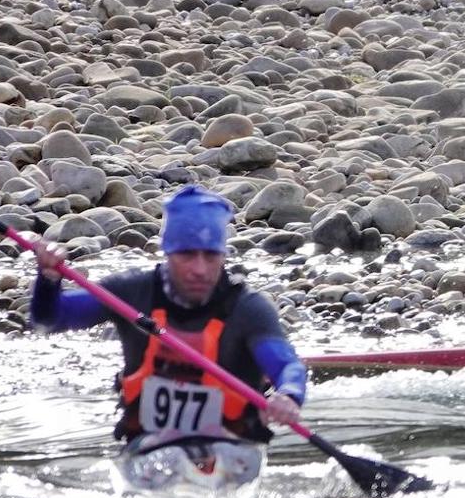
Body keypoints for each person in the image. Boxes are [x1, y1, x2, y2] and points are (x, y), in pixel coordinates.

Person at [29, 185, 307, 473]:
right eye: (187, 255)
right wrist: (48, 281)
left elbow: (286, 364)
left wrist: (288, 395)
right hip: (149, 451)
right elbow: (48, 320)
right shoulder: (131, 293)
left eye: (210, 256)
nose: (199, 269)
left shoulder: (248, 309)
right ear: (167, 253)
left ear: (223, 256)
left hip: (232, 451)